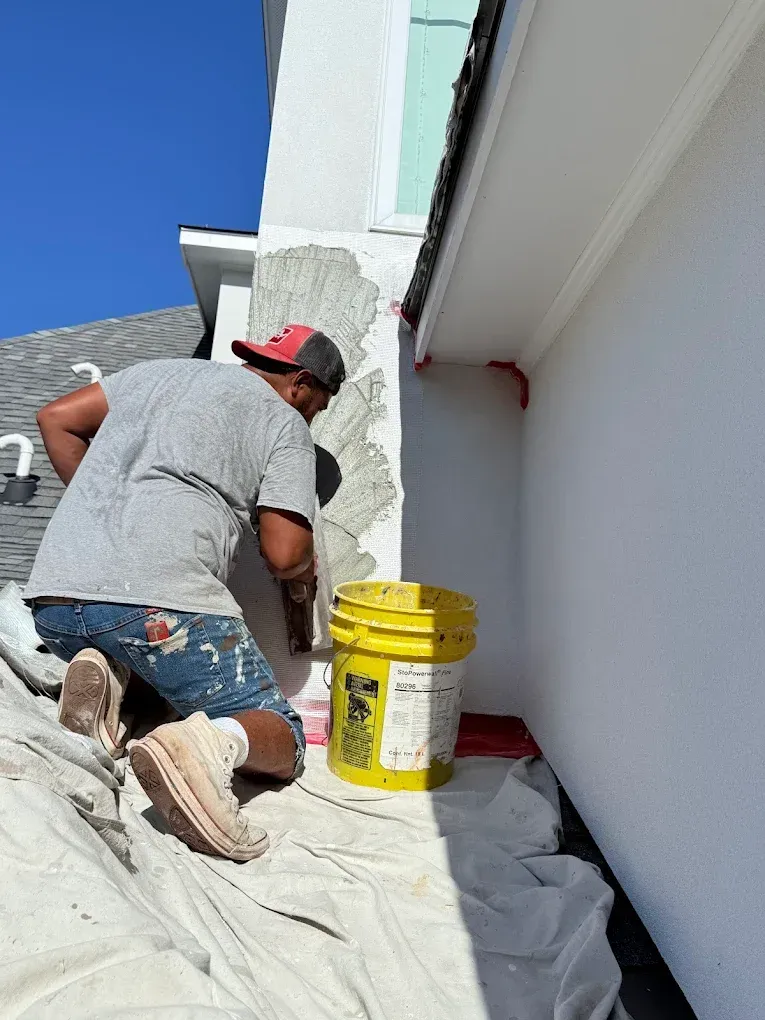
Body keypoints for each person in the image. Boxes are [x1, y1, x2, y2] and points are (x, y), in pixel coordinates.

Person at [25, 325, 345, 861]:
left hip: (56, 605)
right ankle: (201, 747)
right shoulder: (283, 422)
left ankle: (112, 688)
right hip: (158, 609)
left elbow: (54, 419)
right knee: (282, 736)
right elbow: (285, 554)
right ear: (301, 383)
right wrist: (306, 570)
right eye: (319, 405)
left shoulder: (155, 373)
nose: (313, 418)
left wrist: (104, 514)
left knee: (156, 674)